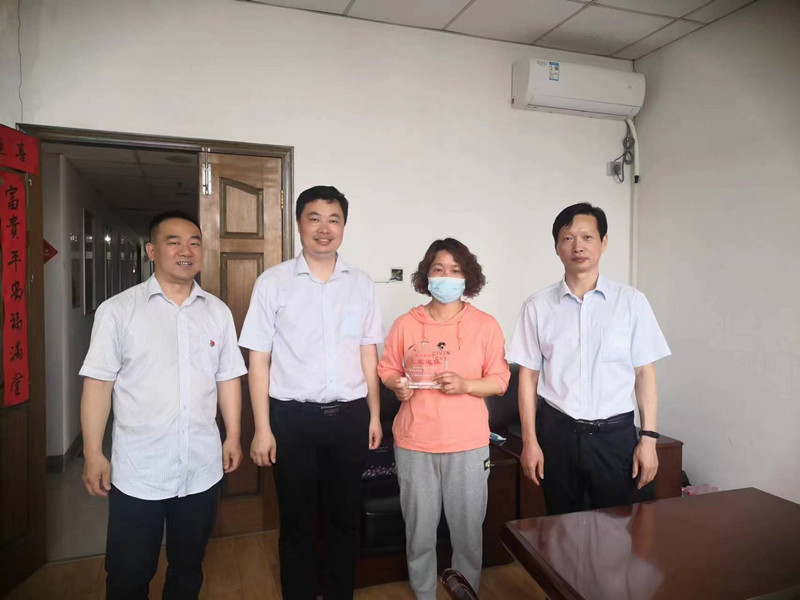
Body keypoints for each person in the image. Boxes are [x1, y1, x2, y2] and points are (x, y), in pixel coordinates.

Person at [79, 210, 246, 599]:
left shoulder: (217, 312)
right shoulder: (118, 311)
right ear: (152, 251)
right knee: (128, 575)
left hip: (201, 469)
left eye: (194, 243)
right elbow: (98, 385)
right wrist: (92, 452)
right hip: (139, 472)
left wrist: (234, 435)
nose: (186, 251)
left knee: (188, 569)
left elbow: (228, 378)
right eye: (174, 242)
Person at [238, 185, 383, 600]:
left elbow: (368, 352)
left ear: (344, 226)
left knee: (345, 520)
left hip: (350, 417)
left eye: (334, 219)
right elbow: (259, 360)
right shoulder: (273, 282)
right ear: (299, 224)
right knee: (297, 523)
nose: (324, 228)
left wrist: (374, 415)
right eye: (314, 218)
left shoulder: (361, 284)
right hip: (292, 420)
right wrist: (262, 429)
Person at [507, 203, 671, 515]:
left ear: (603, 242)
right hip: (558, 436)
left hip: (616, 438)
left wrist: (648, 439)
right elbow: (527, 377)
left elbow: (644, 373)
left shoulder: (631, 302)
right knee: (561, 528)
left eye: (587, 237)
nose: (578, 247)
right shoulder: (537, 307)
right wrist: (530, 442)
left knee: (621, 529)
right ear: (557, 246)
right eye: (568, 238)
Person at [378, 238, 510, 600]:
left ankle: (464, 592)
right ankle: (424, 592)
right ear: (426, 275)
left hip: (467, 443)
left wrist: (466, 385)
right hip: (414, 442)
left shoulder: (485, 325)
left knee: (467, 532)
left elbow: (500, 380)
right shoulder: (406, 324)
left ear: (468, 277)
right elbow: (387, 368)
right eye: (438, 269)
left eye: (455, 270)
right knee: (419, 530)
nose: (446, 277)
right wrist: (396, 385)